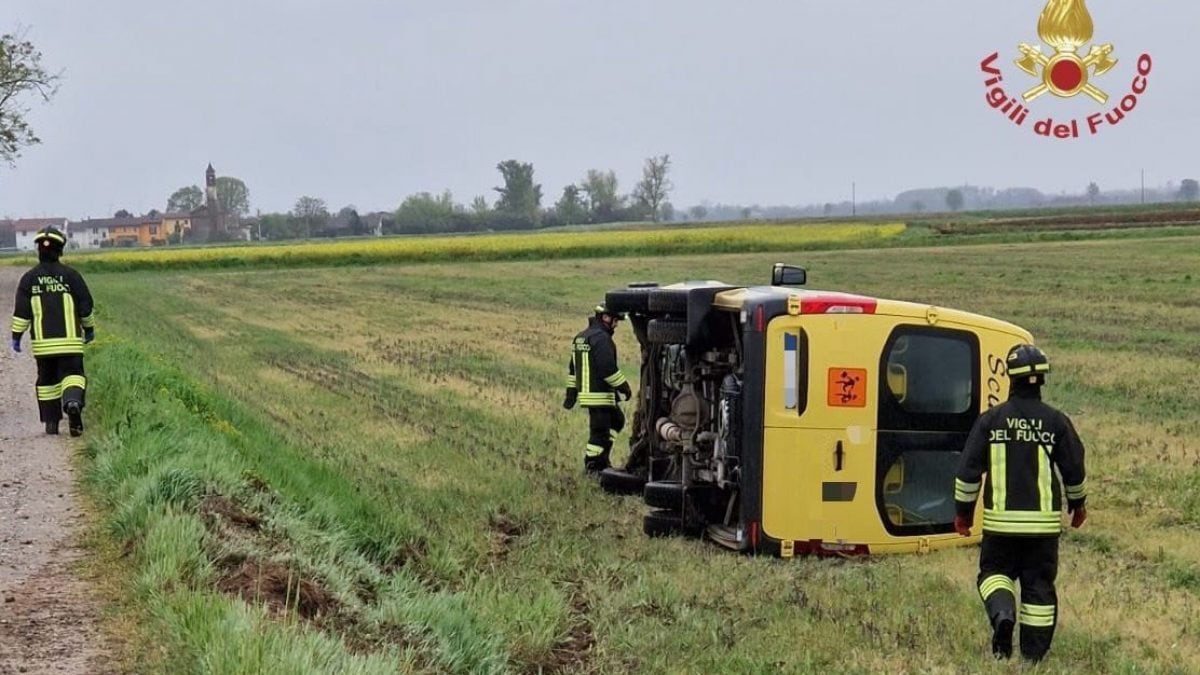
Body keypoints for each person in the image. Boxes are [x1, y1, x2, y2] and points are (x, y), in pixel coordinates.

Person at [954, 344, 1087, 663]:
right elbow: (1074, 467)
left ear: (1009, 379)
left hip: (1000, 525)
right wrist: (1078, 503)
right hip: (1042, 529)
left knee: (993, 573)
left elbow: (967, 472)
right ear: (1041, 380)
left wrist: (963, 512)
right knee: (1039, 586)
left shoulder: (991, 421)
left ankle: (1002, 614)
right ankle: (1033, 657)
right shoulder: (1057, 422)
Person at [10, 227, 96, 436]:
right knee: (73, 375)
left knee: (47, 381)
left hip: (43, 345)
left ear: (39, 251)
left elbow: (22, 312)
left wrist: (16, 336)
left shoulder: (29, 279)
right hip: (70, 343)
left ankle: (51, 423)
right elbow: (85, 305)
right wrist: (89, 328)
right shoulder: (71, 276)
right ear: (61, 251)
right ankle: (73, 403)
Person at [563, 304, 632, 473]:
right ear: (605, 317)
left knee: (617, 420)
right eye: (615, 320)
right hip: (599, 395)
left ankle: (602, 457)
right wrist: (624, 387)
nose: (616, 325)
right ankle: (592, 466)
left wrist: (571, 395)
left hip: (589, 394)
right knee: (599, 433)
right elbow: (607, 368)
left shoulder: (580, 338)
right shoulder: (602, 339)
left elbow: (573, 369)